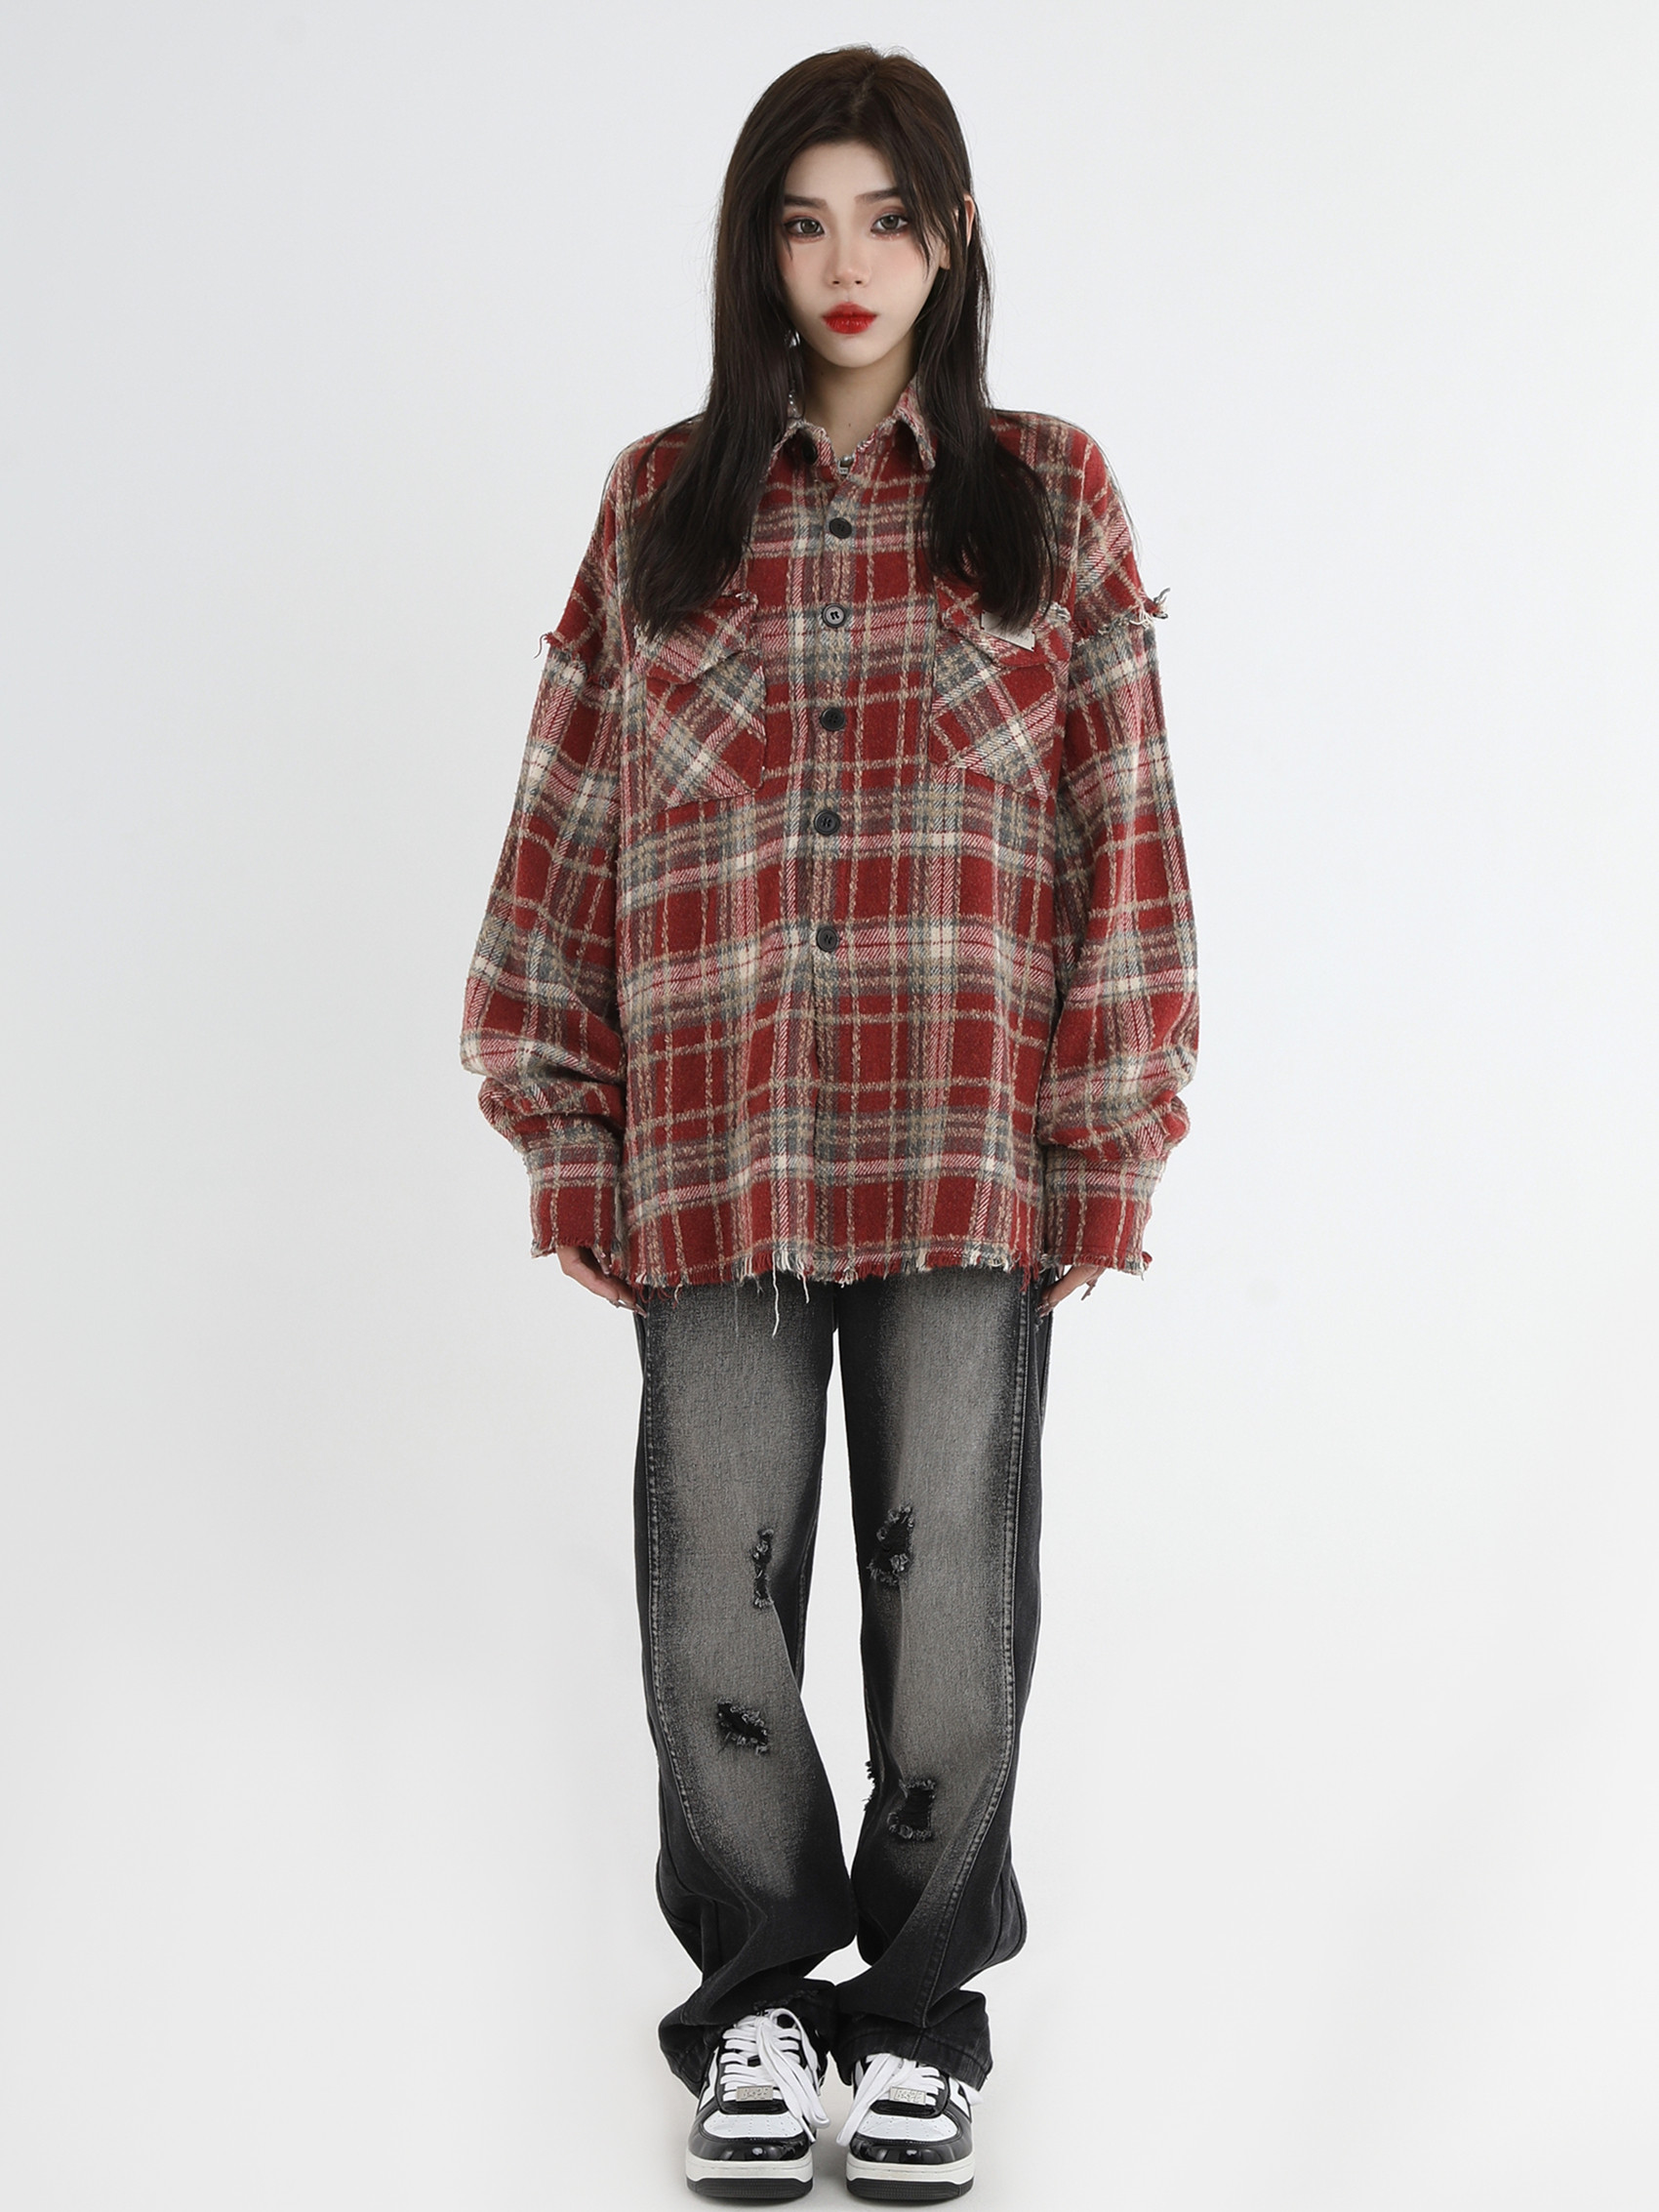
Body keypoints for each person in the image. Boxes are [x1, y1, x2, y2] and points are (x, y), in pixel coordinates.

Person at [461, 45, 1197, 2203]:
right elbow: (567, 822)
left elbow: (1124, 829)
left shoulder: (1050, 494)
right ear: (754, 251)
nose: (846, 263)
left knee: (950, 1593)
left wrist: (1107, 1134)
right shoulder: (659, 503)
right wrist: (562, 1115)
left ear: (951, 239)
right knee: (718, 1587)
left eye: (886, 216)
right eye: (803, 221)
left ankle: (921, 2016)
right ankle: (761, 1997)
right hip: (715, 1148)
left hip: (964, 1148)